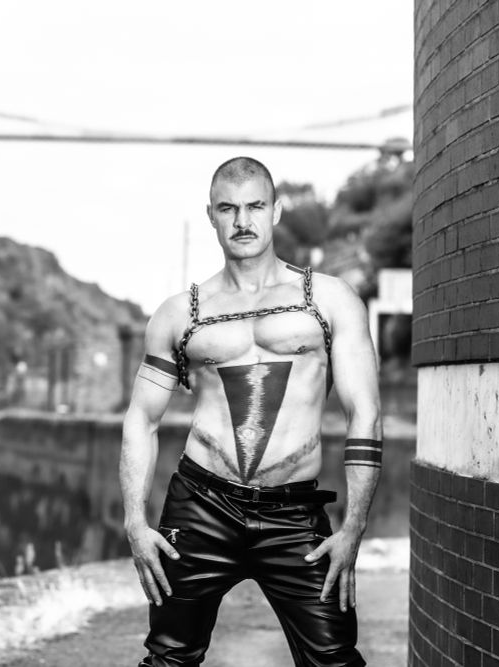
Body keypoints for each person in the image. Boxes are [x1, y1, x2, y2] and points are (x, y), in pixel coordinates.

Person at [120, 156, 382, 667]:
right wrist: (135, 521)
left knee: (334, 659)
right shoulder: (181, 313)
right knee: (168, 658)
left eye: (255, 206)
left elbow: (365, 413)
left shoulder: (327, 300)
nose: (243, 221)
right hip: (201, 506)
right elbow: (141, 418)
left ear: (276, 211)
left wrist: (353, 528)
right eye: (228, 208)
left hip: (293, 514)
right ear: (212, 216)